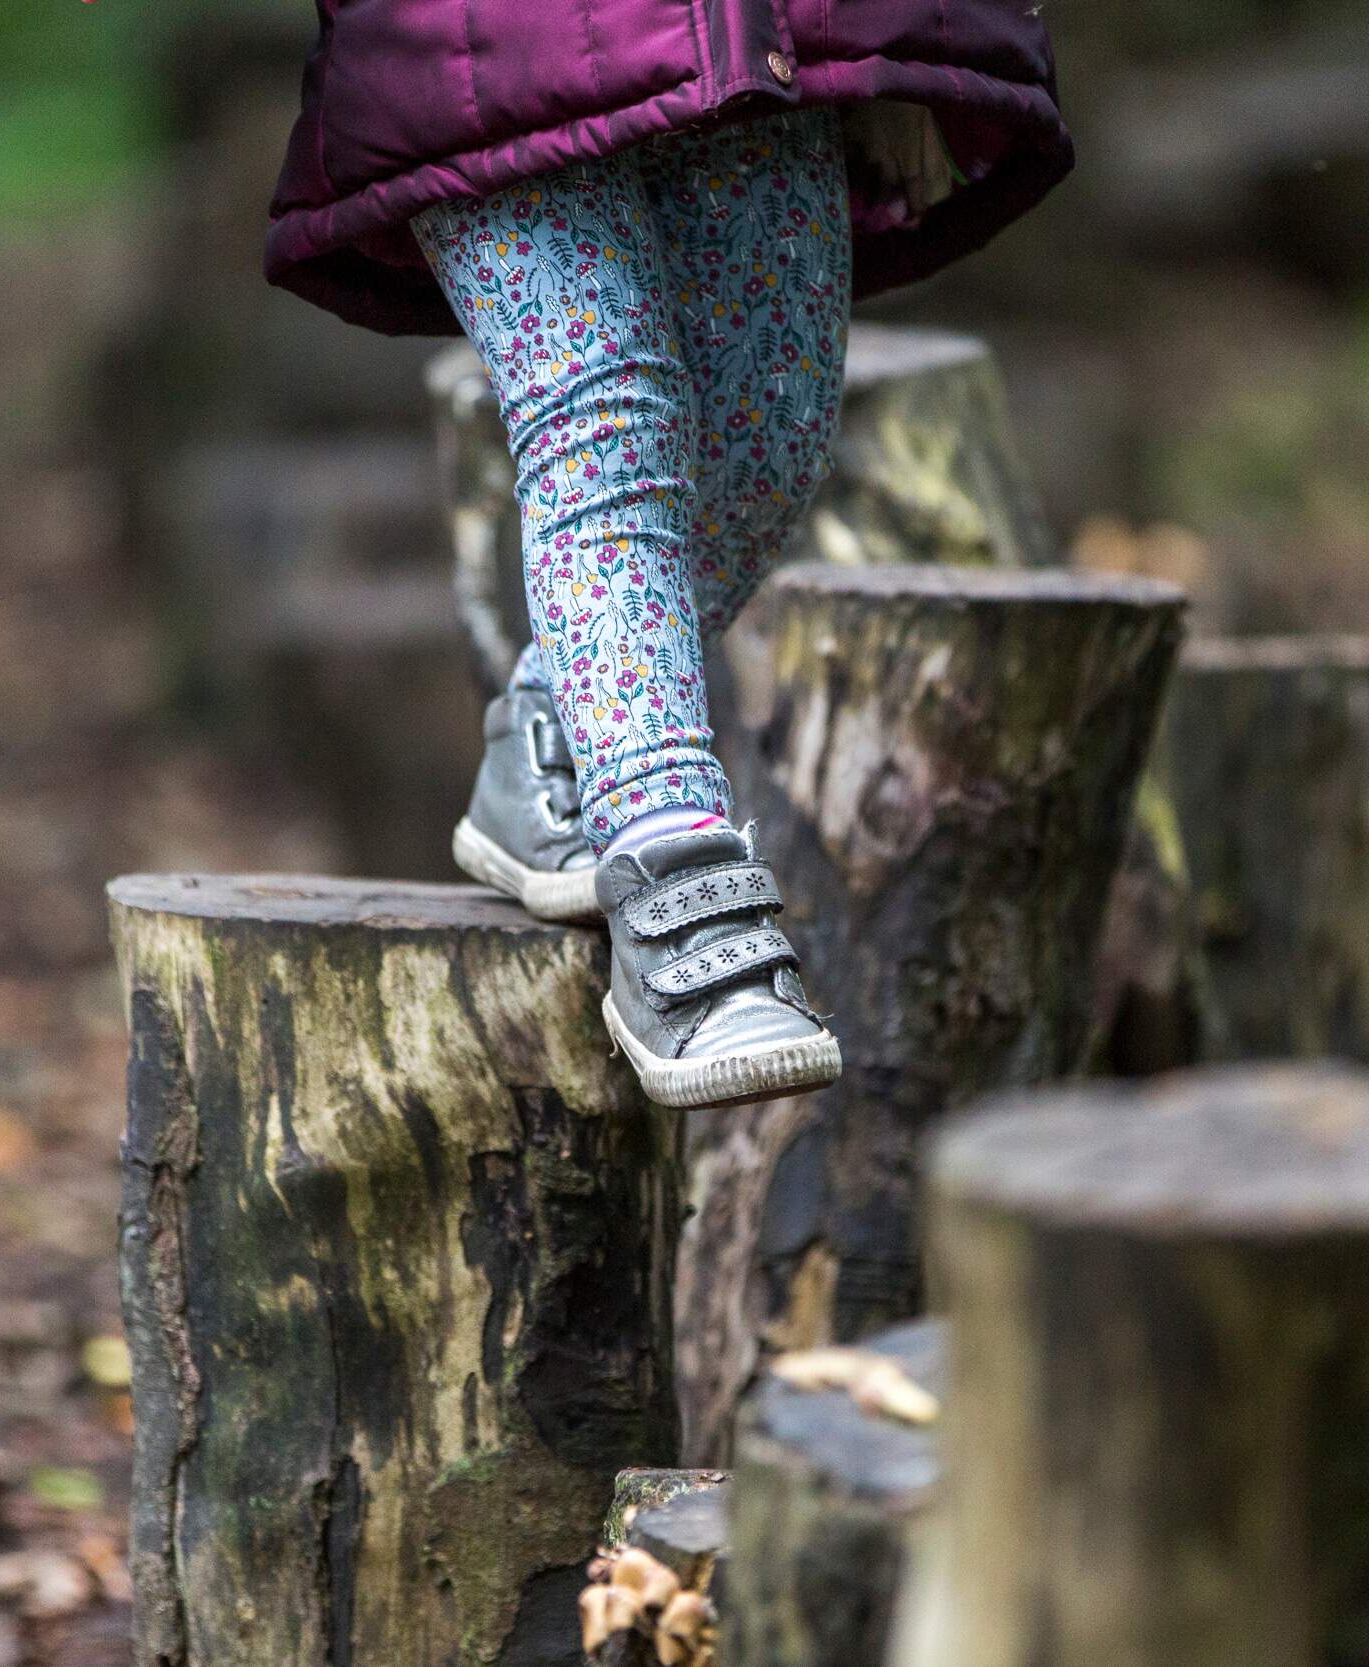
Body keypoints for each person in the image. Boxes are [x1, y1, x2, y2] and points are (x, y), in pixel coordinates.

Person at [263, 2, 1072, 1108]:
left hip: (769, 26)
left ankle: (548, 740)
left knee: (772, 423)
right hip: (484, 38)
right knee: (604, 419)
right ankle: (674, 875)